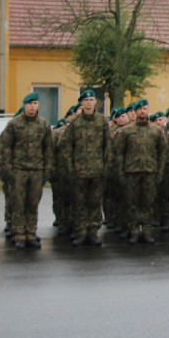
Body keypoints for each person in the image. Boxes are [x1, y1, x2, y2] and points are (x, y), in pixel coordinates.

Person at [0, 93, 53, 249]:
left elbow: (48, 148)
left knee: (33, 204)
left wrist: (47, 170)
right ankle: (19, 235)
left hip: (37, 170)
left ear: (38, 105)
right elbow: (6, 147)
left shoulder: (43, 124)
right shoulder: (14, 124)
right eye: (29, 103)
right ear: (25, 105)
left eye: (35, 103)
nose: (32, 106)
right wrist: (8, 169)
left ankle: (31, 234)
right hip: (19, 170)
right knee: (19, 204)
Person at [112, 99, 167, 244]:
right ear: (135, 112)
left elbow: (162, 153)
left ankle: (147, 231)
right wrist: (121, 173)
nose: (142, 111)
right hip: (132, 171)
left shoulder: (156, 130)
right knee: (132, 202)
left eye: (145, 108)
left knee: (148, 203)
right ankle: (134, 230)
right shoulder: (127, 131)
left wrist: (160, 172)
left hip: (150, 171)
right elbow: (119, 153)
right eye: (140, 109)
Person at [63, 90, 111, 246]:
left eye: (91, 99)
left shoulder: (102, 121)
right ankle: (81, 232)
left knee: (95, 202)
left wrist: (106, 166)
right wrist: (70, 168)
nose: (89, 102)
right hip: (79, 170)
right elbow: (67, 147)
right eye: (86, 100)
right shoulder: (74, 122)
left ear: (95, 102)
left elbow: (107, 146)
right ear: (81, 103)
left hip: (97, 170)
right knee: (80, 203)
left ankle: (93, 232)